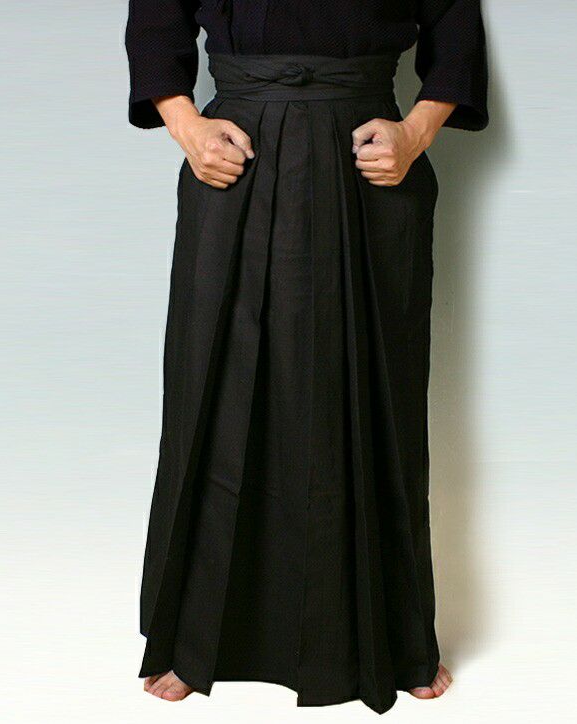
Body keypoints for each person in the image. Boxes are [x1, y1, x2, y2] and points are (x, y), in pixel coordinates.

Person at [125, 0, 488, 714]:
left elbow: (455, 30)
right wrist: (188, 126)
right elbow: (155, 21)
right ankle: (195, 637)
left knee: (377, 394)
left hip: (370, 159)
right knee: (214, 388)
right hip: (235, 156)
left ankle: (392, 637)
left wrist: (415, 134)